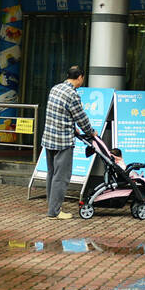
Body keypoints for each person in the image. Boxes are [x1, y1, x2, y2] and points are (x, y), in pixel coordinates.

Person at [40, 65, 95, 219]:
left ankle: (52, 206)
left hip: (49, 138)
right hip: (62, 141)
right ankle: (55, 211)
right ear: (80, 77)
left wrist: (73, 128)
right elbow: (81, 117)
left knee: (52, 173)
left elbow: (58, 113)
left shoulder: (55, 88)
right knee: (61, 176)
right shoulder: (72, 94)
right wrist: (90, 132)